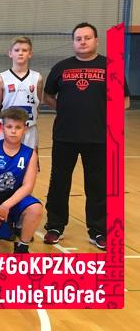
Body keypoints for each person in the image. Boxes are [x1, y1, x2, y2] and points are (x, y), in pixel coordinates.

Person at [42, 22, 130, 249]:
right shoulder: (61, 67)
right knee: (59, 183)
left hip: (98, 138)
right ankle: (55, 226)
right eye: (78, 38)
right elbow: (48, 96)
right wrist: (66, 110)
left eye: (87, 38)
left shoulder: (110, 67)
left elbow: (125, 100)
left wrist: (105, 117)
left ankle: (98, 231)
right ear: (73, 42)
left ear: (96, 40)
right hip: (65, 136)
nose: (83, 42)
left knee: (97, 186)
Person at [0, 108, 42, 254]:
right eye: (9, 126)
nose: (13, 131)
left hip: (13, 201)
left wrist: (6, 205)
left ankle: (22, 246)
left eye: (18, 127)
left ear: (25, 129)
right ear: (2, 127)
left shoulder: (30, 154)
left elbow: (28, 186)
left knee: (35, 208)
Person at [0, 36, 42, 149]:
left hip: (29, 129)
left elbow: (37, 105)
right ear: (10, 53)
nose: (20, 53)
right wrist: (0, 128)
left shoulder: (37, 78)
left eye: (24, 50)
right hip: (8, 129)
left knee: (31, 159)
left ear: (30, 54)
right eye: (17, 50)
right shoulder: (1, 79)